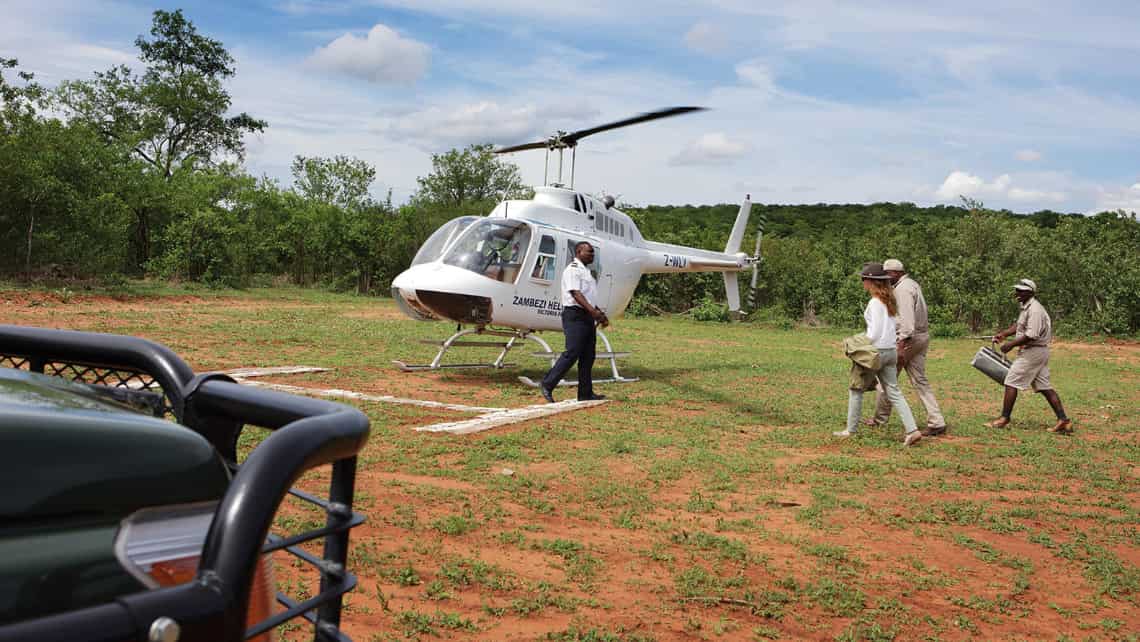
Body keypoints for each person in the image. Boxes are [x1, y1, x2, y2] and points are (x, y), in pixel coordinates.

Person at [834, 262, 923, 446]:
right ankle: (912, 430)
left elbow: (873, 334)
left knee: (856, 389)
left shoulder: (874, 302)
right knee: (894, 391)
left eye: (864, 279)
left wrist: (856, 340)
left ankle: (850, 430)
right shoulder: (888, 301)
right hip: (891, 351)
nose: (862, 282)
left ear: (871, 281)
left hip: (876, 352)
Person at [865, 259, 948, 436]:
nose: (885, 278)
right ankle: (936, 421)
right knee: (919, 380)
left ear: (896, 273)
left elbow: (907, 324)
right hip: (921, 336)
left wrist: (901, 346)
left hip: (908, 339)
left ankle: (880, 419)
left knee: (887, 380)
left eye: (888, 275)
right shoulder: (912, 284)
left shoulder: (902, 290)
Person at [984, 279, 1072, 433]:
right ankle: (1063, 420)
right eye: (1017, 290)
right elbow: (1019, 326)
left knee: (1011, 381)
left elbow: (1031, 335)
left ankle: (1004, 418)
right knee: (1044, 387)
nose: (1017, 293)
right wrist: (1004, 334)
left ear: (1030, 292)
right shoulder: (1026, 307)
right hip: (1037, 352)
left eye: (1021, 291)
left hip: (1033, 351)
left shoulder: (1035, 310)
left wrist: (1011, 344)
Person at [540, 242, 608, 403]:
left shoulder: (586, 272)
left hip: (587, 316)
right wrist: (593, 312)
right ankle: (547, 384)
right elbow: (576, 294)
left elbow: (587, 296)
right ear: (579, 252)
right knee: (572, 352)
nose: (592, 255)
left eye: (593, 253)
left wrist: (599, 314)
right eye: (589, 252)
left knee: (588, 356)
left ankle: (585, 393)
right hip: (575, 315)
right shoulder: (572, 270)